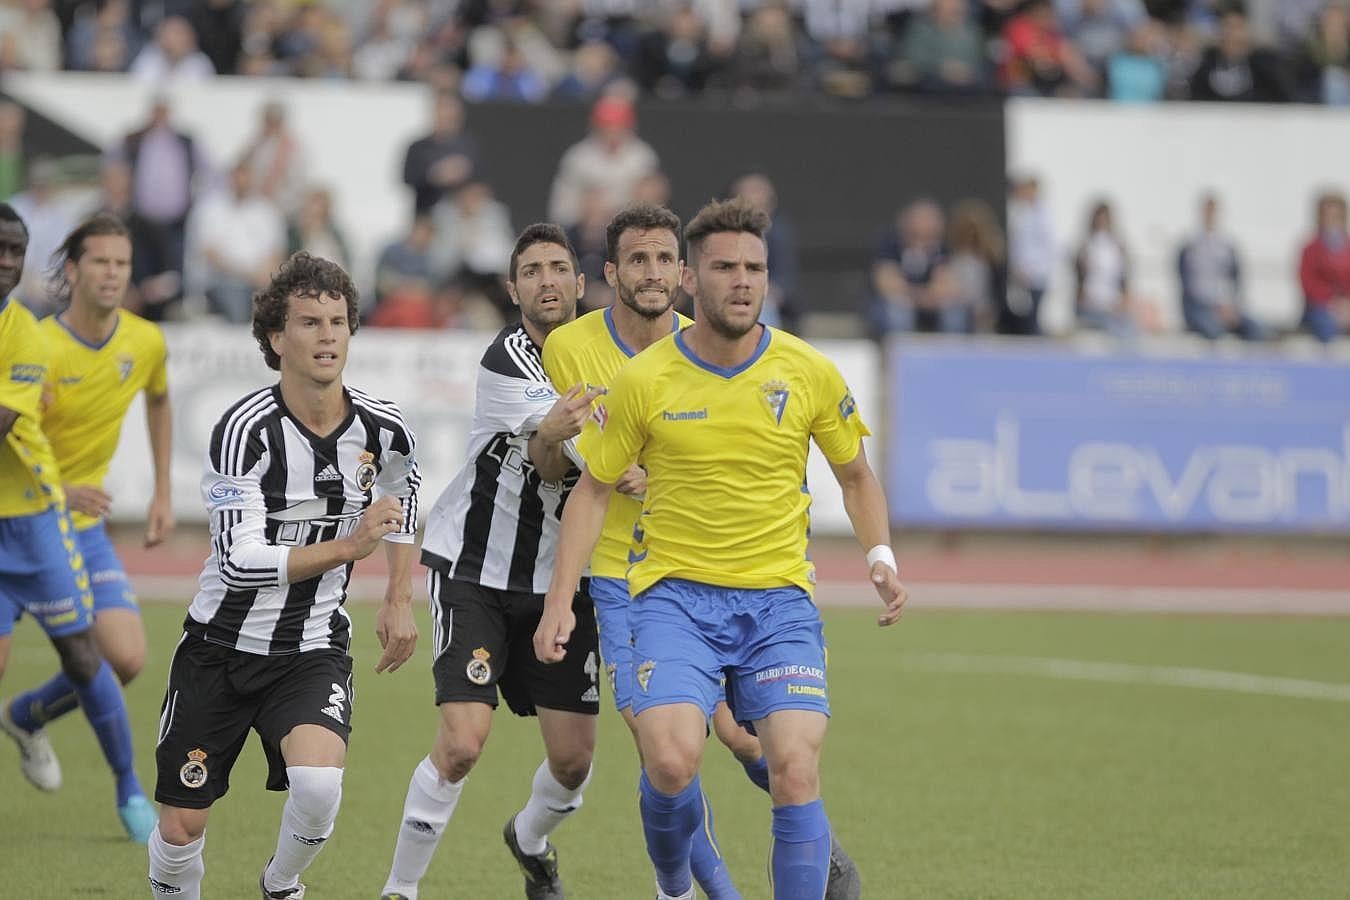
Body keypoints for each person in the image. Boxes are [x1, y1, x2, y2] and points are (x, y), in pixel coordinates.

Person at [534, 198, 907, 900]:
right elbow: (592, 489)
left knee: (792, 767)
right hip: (672, 597)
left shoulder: (808, 371)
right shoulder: (646, 380)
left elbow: (856, 474)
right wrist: (560, 603)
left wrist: (880, 557)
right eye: (725, 267)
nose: (742, 281)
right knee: (671, 763)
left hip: (778, 603)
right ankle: (675, 884)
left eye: (755, 268)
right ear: (691, 281)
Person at [145, 252, 421, 899]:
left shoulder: (382, 427)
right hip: (219, 649)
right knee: (183, 829)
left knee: (320, 786)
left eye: (337, 321)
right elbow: (241, 562)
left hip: (311, 648)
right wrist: (349, 546)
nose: (327, 335)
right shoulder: (246, 429)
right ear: (276, 338)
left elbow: (403, 501)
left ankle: (280, 883)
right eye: (309, 322)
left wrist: (399, 598)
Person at [380, 224, 602, 900]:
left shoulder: (608, 356)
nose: (547, 281)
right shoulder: (507, 361)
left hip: (563, 581)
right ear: (513, 289)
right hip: (476, 567)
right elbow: (563, 452)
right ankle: (400, 889)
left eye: (558, 267)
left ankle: (530, 841)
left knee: (572, 762)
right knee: (464, 742)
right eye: (531, 271)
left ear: (580, 283)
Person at [1, 214, 173, 805]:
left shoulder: (145, 341)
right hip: (33, 515)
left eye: (121, 264)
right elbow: (17, 435)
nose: (112, 273)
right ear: (72, 270)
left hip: (84, 530)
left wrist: (162, 492)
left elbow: (159, 398)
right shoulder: (40, 343)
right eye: (100, 261)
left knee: (125, 657)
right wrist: (63, 490)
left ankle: (27, 715)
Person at [1177, 194, 1266, 340]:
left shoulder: (1227, 247)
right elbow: (1188, 286)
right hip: (1200, 307)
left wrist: (1230, 305)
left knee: (1257, 329)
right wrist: (1213, 307)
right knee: (1213, 329)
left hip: (1226, 306)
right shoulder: (1190, 247)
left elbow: (1236, 281)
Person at [1297, 190, 1350, 343]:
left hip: (1346, 306)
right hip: (1320, 307)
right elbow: (1308, 283)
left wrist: (1346, 304)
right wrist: (1332, 303)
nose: (1332, 221)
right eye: (1327, 216)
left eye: (1336, 216)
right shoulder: (1310, 248)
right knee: (1327, 325)